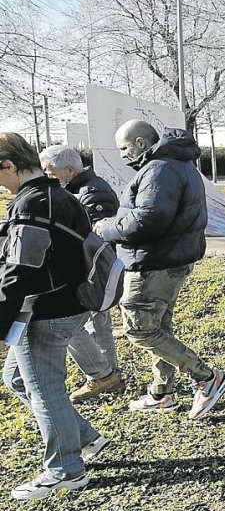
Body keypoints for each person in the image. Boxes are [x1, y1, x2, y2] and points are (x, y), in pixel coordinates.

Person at [95, 120, 225, 419]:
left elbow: (148, 220)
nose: (122, 155)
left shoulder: (160, 169)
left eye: (124, 148)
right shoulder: (178, 164)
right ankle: (161, 393)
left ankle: (207, 377)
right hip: (168, 260)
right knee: (158, 328)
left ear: (141, 142)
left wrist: (106, 227)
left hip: (153, 263)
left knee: (140, 329)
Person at [1, 133, 112, 500]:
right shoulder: (59, 195)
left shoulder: (31, 204)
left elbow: (21, 270)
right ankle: (84, 437)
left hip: (44, 311)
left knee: (44, 389)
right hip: (68, 303)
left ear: (10, 166)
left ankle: (65, 470)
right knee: (17, 378)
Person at [38, 145, 126, 401]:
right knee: (90, 324)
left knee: (94, 325)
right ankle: (106, 375)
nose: (47, 176)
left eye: (50, 171)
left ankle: (107, 376)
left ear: (69, 170)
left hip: (93, 273)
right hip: (85, 272)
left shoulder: (92, 193)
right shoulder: (78, 188)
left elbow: (96, 239)